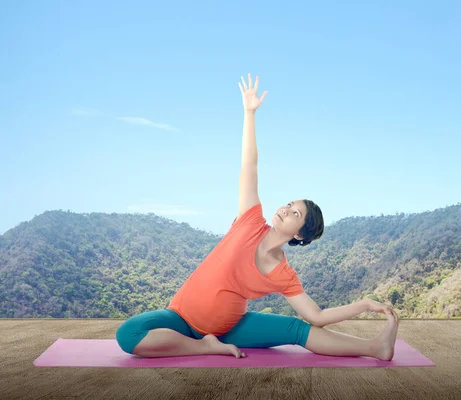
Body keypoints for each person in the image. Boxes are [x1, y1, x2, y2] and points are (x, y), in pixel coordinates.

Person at [115, 74, 400, 360]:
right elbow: (249, 164)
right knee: (128, 335)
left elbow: (318, 316)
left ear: (300, 234)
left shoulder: (283, 273)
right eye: (289, 204)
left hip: (231, 328)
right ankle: (203, 346)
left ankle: (376, 348)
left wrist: (364, 304)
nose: (286, 209)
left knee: (296, 329)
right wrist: (249, 113)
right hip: (180, 317)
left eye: (295, 213)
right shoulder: (250, 219)